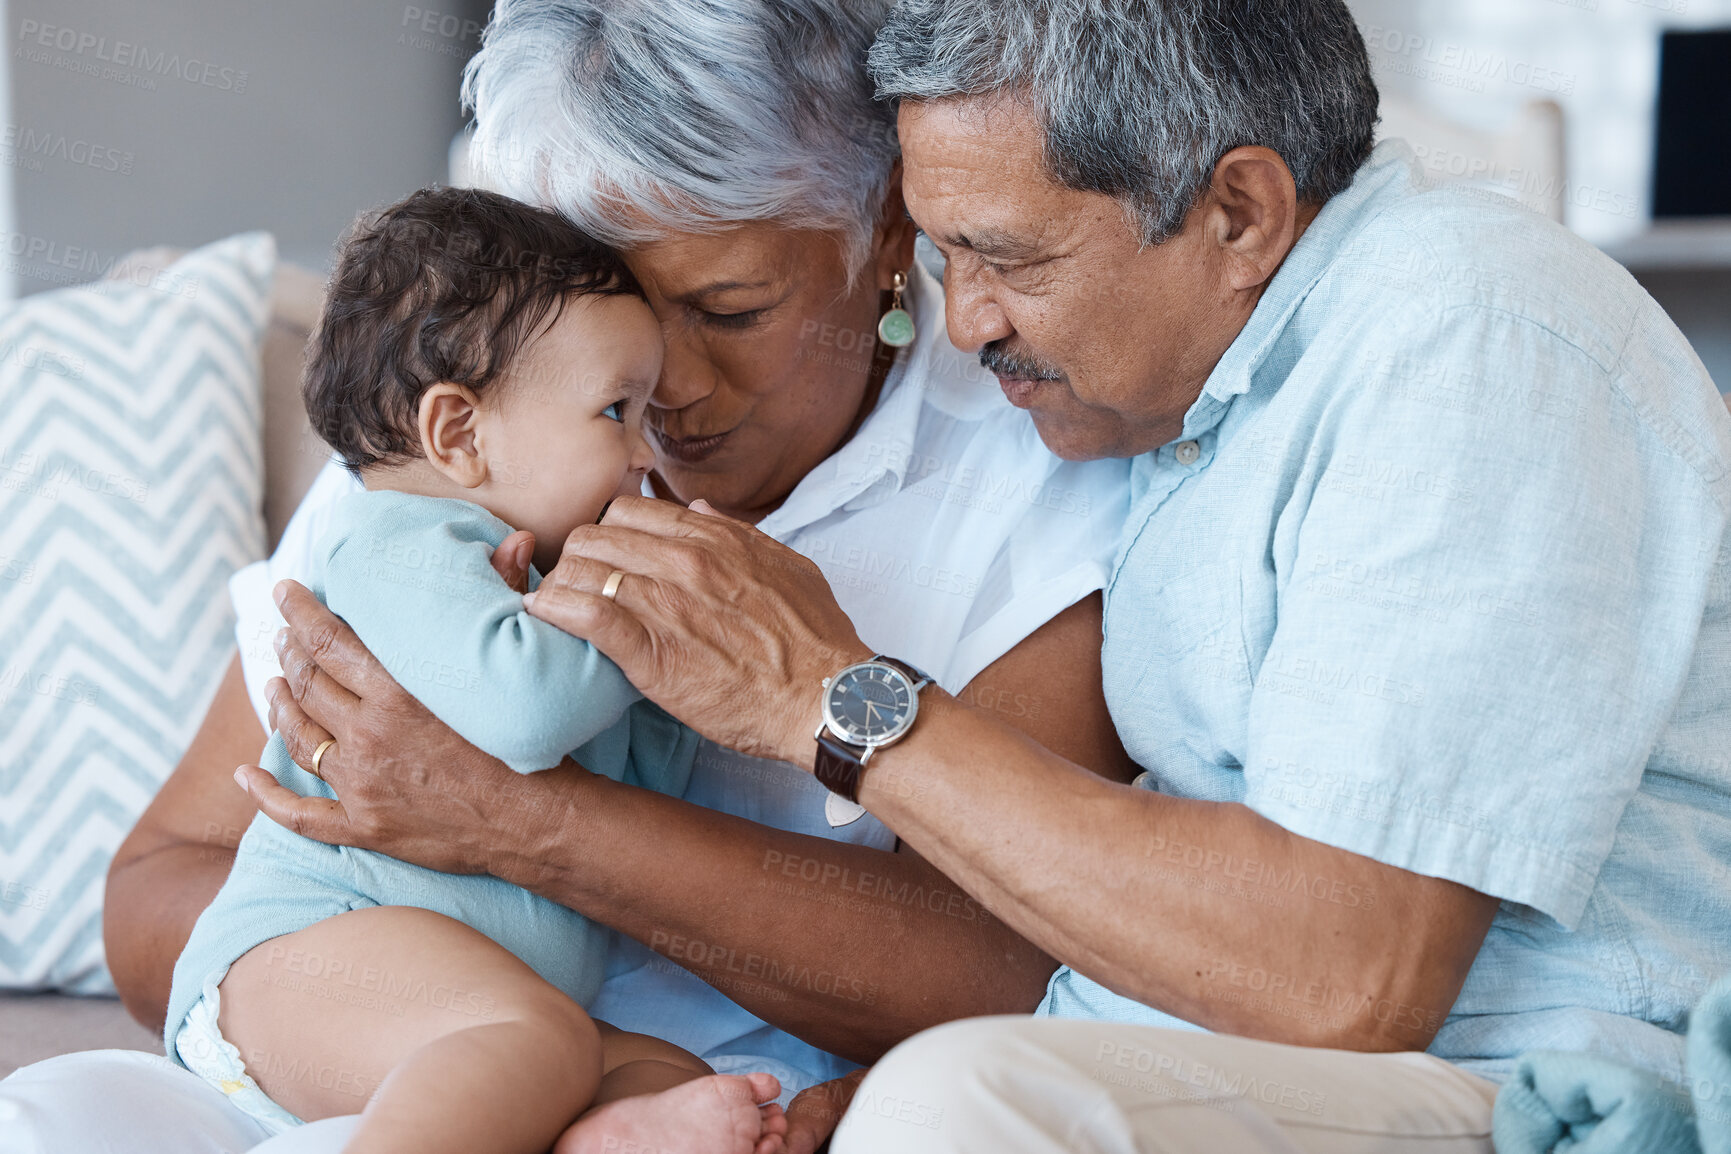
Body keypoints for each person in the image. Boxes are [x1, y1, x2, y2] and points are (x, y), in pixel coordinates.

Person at [248, 0, 1731, 1150]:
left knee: (959, 1110)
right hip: (1266, 1062)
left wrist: (827, 696)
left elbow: (1345, 978)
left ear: (1237, 213)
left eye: (998, 255)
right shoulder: (1184, 415)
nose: (959, 326)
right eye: (942, 256)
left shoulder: (1461, 335)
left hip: (1518, 1085)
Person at [0, 3, 1133, 1152]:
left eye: (728, 309)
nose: (666, 392)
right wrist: (422, 1000)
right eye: (612, 332)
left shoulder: (1036, 477)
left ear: (888, 230)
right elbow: (157, 894)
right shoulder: (468, 451)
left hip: (691, 1100)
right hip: (391, 1064)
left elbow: (995, 971)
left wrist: (519, 822)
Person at [166, 185, 793, 1154]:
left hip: (452, 1008)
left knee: (659, 1071)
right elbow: (530, 713)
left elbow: (641, 781)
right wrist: (631, 609)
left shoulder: (535, 583)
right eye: (616, 411)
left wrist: (687, 667)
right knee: (530, 1038)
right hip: (305, 954)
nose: (646, 454)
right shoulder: (399, 538)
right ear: (459, 435)